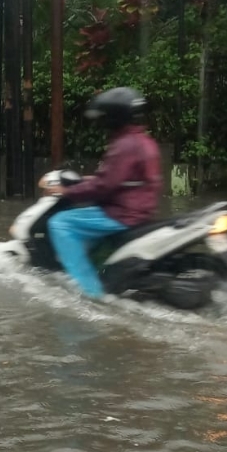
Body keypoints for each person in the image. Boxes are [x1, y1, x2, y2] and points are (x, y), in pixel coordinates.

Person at [46, 87, 161, 299]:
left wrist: (67, 190)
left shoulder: (124, 145)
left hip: (122, 213)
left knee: (61, 223)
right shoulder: (145, 141)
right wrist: (90, 180)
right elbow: (122, 179)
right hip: (140, 210)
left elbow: (103, 187)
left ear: (114, 118)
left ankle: (90, 291)